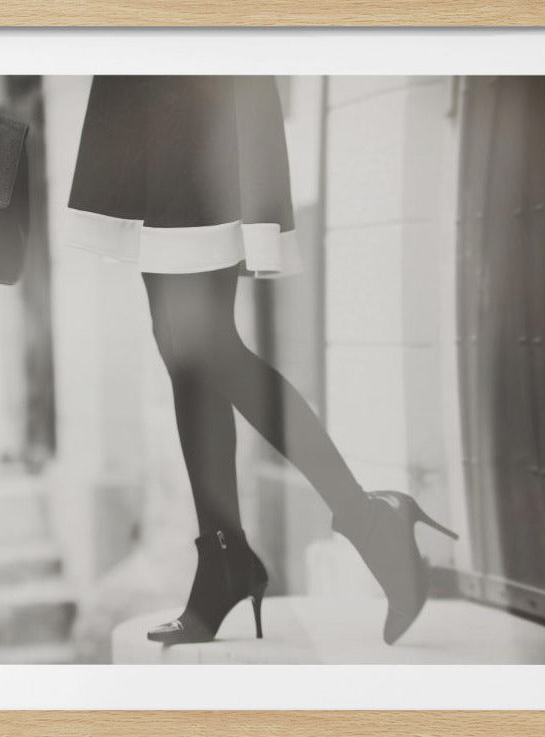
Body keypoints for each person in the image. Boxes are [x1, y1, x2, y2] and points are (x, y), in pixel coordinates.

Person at [62, 75, 458, 646]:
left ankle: (366, 522)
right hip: (151, 82)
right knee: (178, 342)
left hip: (196, 79)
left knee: (202, 342)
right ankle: (224, 556)